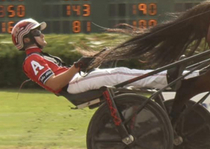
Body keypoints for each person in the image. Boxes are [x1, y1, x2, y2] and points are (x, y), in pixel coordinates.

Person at [11, 18, 194, 95]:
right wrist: (77, 66)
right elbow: (53, 83)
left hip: (75, 81)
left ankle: (176, 75)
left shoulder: (38, 57)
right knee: (119, 74)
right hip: (72, 84)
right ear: (27, 39)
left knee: (121, 73)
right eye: (37, 33)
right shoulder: (32, 60)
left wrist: (84, 64)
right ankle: (167, 78)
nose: (42, 35)